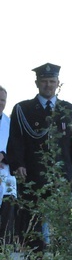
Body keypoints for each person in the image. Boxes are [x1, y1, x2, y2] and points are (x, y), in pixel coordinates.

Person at [6, 63, 72, 260]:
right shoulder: (23, 109)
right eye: (44, 81)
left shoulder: (68, 109)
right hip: (33, 175)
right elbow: (15, 141)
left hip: (62, 176)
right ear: (37, 83)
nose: (48, 85)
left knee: (62, 222)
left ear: (58, 83)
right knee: (33, 220)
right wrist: (18, 165)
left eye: (52, 81)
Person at [0, 84, 16, 243]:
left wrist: (3, 155)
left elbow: (17, 149)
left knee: (5, 224)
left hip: (5, 176)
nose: (0, 103)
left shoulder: (10, 123)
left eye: (3, 100)